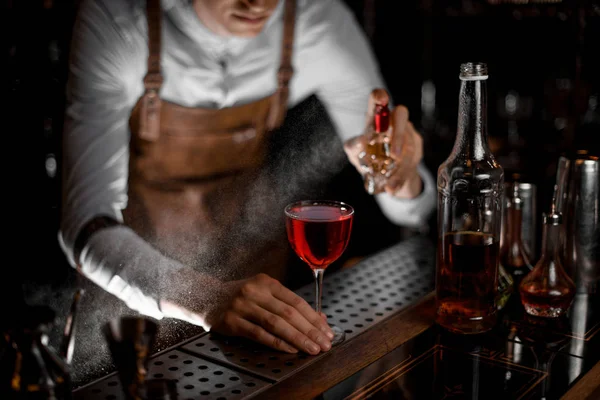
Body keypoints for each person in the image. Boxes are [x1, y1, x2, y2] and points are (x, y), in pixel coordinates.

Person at [59, 0, 436, 357]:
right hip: (136, 304)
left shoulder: (316, 21)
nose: (258, 4)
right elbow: (86, 223)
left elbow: (408, 204)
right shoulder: (119, 20)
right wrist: (203, 297)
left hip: (261, 312)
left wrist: (399, 180)